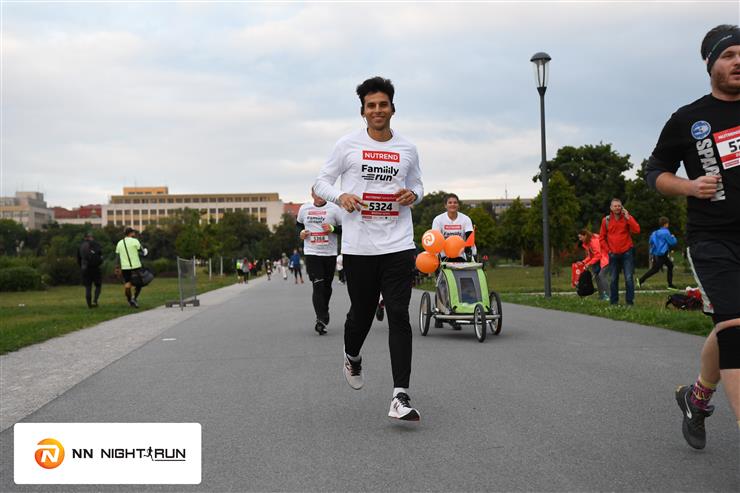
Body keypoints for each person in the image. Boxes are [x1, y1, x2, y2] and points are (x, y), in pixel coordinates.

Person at [645, 24, 740, 449]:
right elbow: (655, 172)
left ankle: (697, 397)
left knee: (729, 325)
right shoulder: (688, 119)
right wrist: (688, 185)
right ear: (710, 64)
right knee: (735, 328)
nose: (738, 61)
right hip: (713, 239)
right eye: (729, 55)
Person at [314, 76, 423, 421]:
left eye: (383, 104)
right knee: (361, 313)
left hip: (398, 243)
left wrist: (413, 195)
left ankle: (400, 395)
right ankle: (352, 355)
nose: (378, 110)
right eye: (371, 105)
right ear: (363, 111)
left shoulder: (407, 148)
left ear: (393, 108)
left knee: (399, 314)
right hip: (360, 247)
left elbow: (418, 185)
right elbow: (321, 182)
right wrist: (340, 196)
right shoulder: (347, 145)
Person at [298, 187, 343, 335]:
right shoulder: (304, 209)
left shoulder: (334, 209)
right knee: (317, 285)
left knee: (327, 286)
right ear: (312, 194)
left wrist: (332, 228)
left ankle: (324, 310)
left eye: (322, 193)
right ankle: (320, 319)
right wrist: (301, 233)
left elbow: (344, 228)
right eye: (317, 193)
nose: (320, 196)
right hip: (312, 252)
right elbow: (299, 225)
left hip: (329, 253)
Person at [599, 198, 641, 305]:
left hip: (627, 252)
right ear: (611, 208)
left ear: (622, 207)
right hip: (613, 254)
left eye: (619, 206)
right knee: (613, 279)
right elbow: (602, 238)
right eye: (615, 206)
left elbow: (637, 230)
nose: (617, 208)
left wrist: (628, 217)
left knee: (628, 278)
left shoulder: (627, 218)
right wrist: (608, 250)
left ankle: (629, 302)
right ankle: (614, 302)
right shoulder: (606, 220)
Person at [637, 217, 678, 289]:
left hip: (656, 253)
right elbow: (672, 242)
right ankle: (640, 280)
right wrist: (673, 237)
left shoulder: (655, 233)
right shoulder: (666, 232)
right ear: (665, 224)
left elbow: (650, 242)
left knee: (670, 266)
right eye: (668, 224)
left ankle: (670, 284)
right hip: (663, 253)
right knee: (655, 269)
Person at [432, 193, 475, 262]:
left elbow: (469, 236)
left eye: (455, 202)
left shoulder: (466, 219)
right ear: (445, 205)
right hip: (443, 256)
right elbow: (435, 239)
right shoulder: (438, 219)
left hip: (461, 255)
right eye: (450, 203)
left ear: (458, 205)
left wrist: (468, 252)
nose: (453, 204)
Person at [114, 227, 147, 308]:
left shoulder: (120, 243)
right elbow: (143, 252)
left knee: (127, 284)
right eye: (133, 232)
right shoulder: (135, 241)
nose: (134, 233)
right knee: (139, 283)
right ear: (131, 233)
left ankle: (129, 300)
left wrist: (117, 267)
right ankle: (134, 298)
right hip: (136, 266)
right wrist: (145, 252)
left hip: (125, 268)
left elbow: (117, 256)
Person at [577, 229, 609, 301]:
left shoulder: (594, 241)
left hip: (605, 259)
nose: (580, 239)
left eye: (580, 237)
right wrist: (583, 262)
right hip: (598, 261)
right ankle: (602, 296)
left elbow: (598, 255)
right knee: (597, 277)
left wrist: (588, 264)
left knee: (601, 276)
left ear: (585, 235)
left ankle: (608, 295)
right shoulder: (588, 243)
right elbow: (590, 256)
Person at [77, 232, 103, 308]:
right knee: (98, 285)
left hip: (85, 268)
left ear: (84, 238)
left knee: (88, 287)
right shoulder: (96, 244)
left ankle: (89, 304)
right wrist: (100, 262)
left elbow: (78, 258)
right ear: (91, 237)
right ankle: (95, 300)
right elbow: (100, 255)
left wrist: (82, 266)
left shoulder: (81, 246)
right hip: (95, 268)